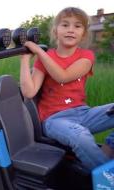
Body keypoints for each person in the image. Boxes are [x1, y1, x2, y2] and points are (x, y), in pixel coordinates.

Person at [19, 7, 114, 170]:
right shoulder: (45, 59)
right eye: (65, 25)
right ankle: (107, 177)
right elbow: (29, 92)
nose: (71, 30)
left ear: (83, 34)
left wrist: (41, 53)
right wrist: (25, 59)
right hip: (54, 120)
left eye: (77, 26)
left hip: (83, 113)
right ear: (56, 31)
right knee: (81, 137)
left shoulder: (86, 56)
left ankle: (106, 152)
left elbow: (63, 76)